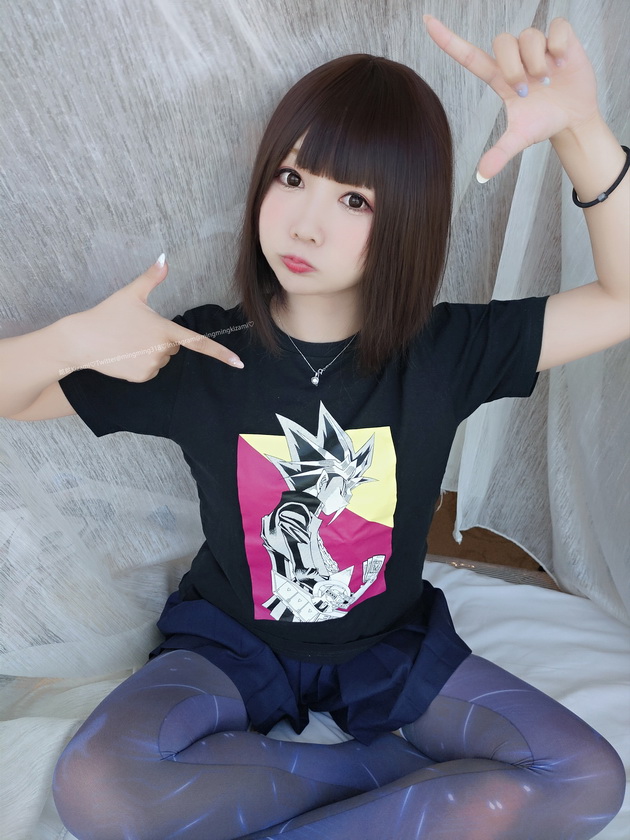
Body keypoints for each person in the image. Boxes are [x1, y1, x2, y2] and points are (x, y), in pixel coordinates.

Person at [1, 15, 627, 840]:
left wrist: (581, 131)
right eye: (292, 177)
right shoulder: (199, 352)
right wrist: (69, 340)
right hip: (229, 646)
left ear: (406, 219)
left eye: (354, 199)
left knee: (589, 777)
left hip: (391, 650)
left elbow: (621, 299)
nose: (304, 223)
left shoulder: (444, 352)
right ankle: (392, 779)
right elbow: (15, 396)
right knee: (98, 787)